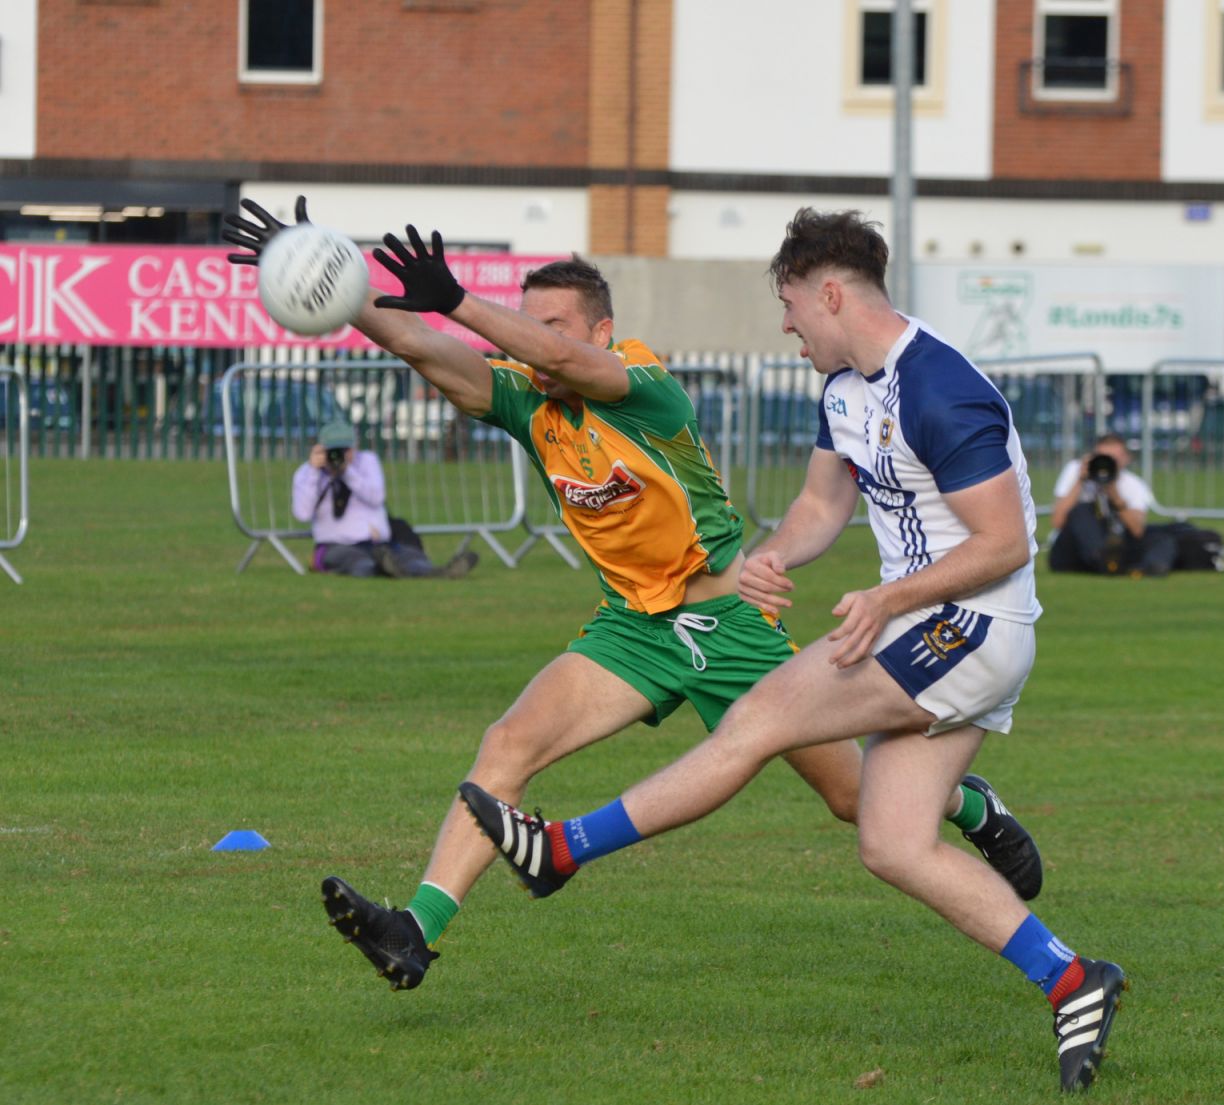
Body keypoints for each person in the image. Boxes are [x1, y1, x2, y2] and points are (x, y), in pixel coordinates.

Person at [224, 197, 1040, 999]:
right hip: (632, 628)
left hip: (730, 625)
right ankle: (417, 929)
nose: (539, 344)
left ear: (602, 331)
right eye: (529, 324)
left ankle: (967, 802)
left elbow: (574, 366)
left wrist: (464, 303)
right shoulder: (527, 399)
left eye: (557, 327)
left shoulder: (644, 384)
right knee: (509, 744)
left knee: (852, 797)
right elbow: (435, 352)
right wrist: (338, 288)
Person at [459, 208, 1127, 1093]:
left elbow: (1002, 543)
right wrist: (767, 558)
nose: (785, 325)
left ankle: (564, 848)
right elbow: (821, 506)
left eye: (789, 306)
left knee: (757, 717)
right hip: (926, 629)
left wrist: (889, 595)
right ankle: (1075, 980)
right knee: (891, 842)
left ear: (832, 293)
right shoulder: (846, 388)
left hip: (971, 629)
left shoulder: (940, 387)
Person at [290, 418, 478, 579]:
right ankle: (383, 570)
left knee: (408, 555)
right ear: (321, 449)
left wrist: (347, 472)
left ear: (354, 446)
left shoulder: (366, 461)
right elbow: (302, 513)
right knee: (357, 562)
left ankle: (435, 572)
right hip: (335, 545)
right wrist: (315, 472)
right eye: (334, 450)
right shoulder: (307, 474)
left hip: (379, 544)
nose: (340, 455)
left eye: (345, 449)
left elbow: (376, 497)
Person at [1048, 433, 1176, 577]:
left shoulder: (1133, 484)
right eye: (1102, 457)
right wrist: (1080, 481)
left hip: (1112, 543)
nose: (1105, 464)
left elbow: (1137, 530)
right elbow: (1057, 521)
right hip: (1071, 551)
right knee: (1083, 510)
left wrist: (1113, 492)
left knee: (1161, 536)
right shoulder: (1075, 470)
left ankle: (1150, 567)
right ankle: (1103, 560)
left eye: (1112, 459)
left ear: (1126, 459)